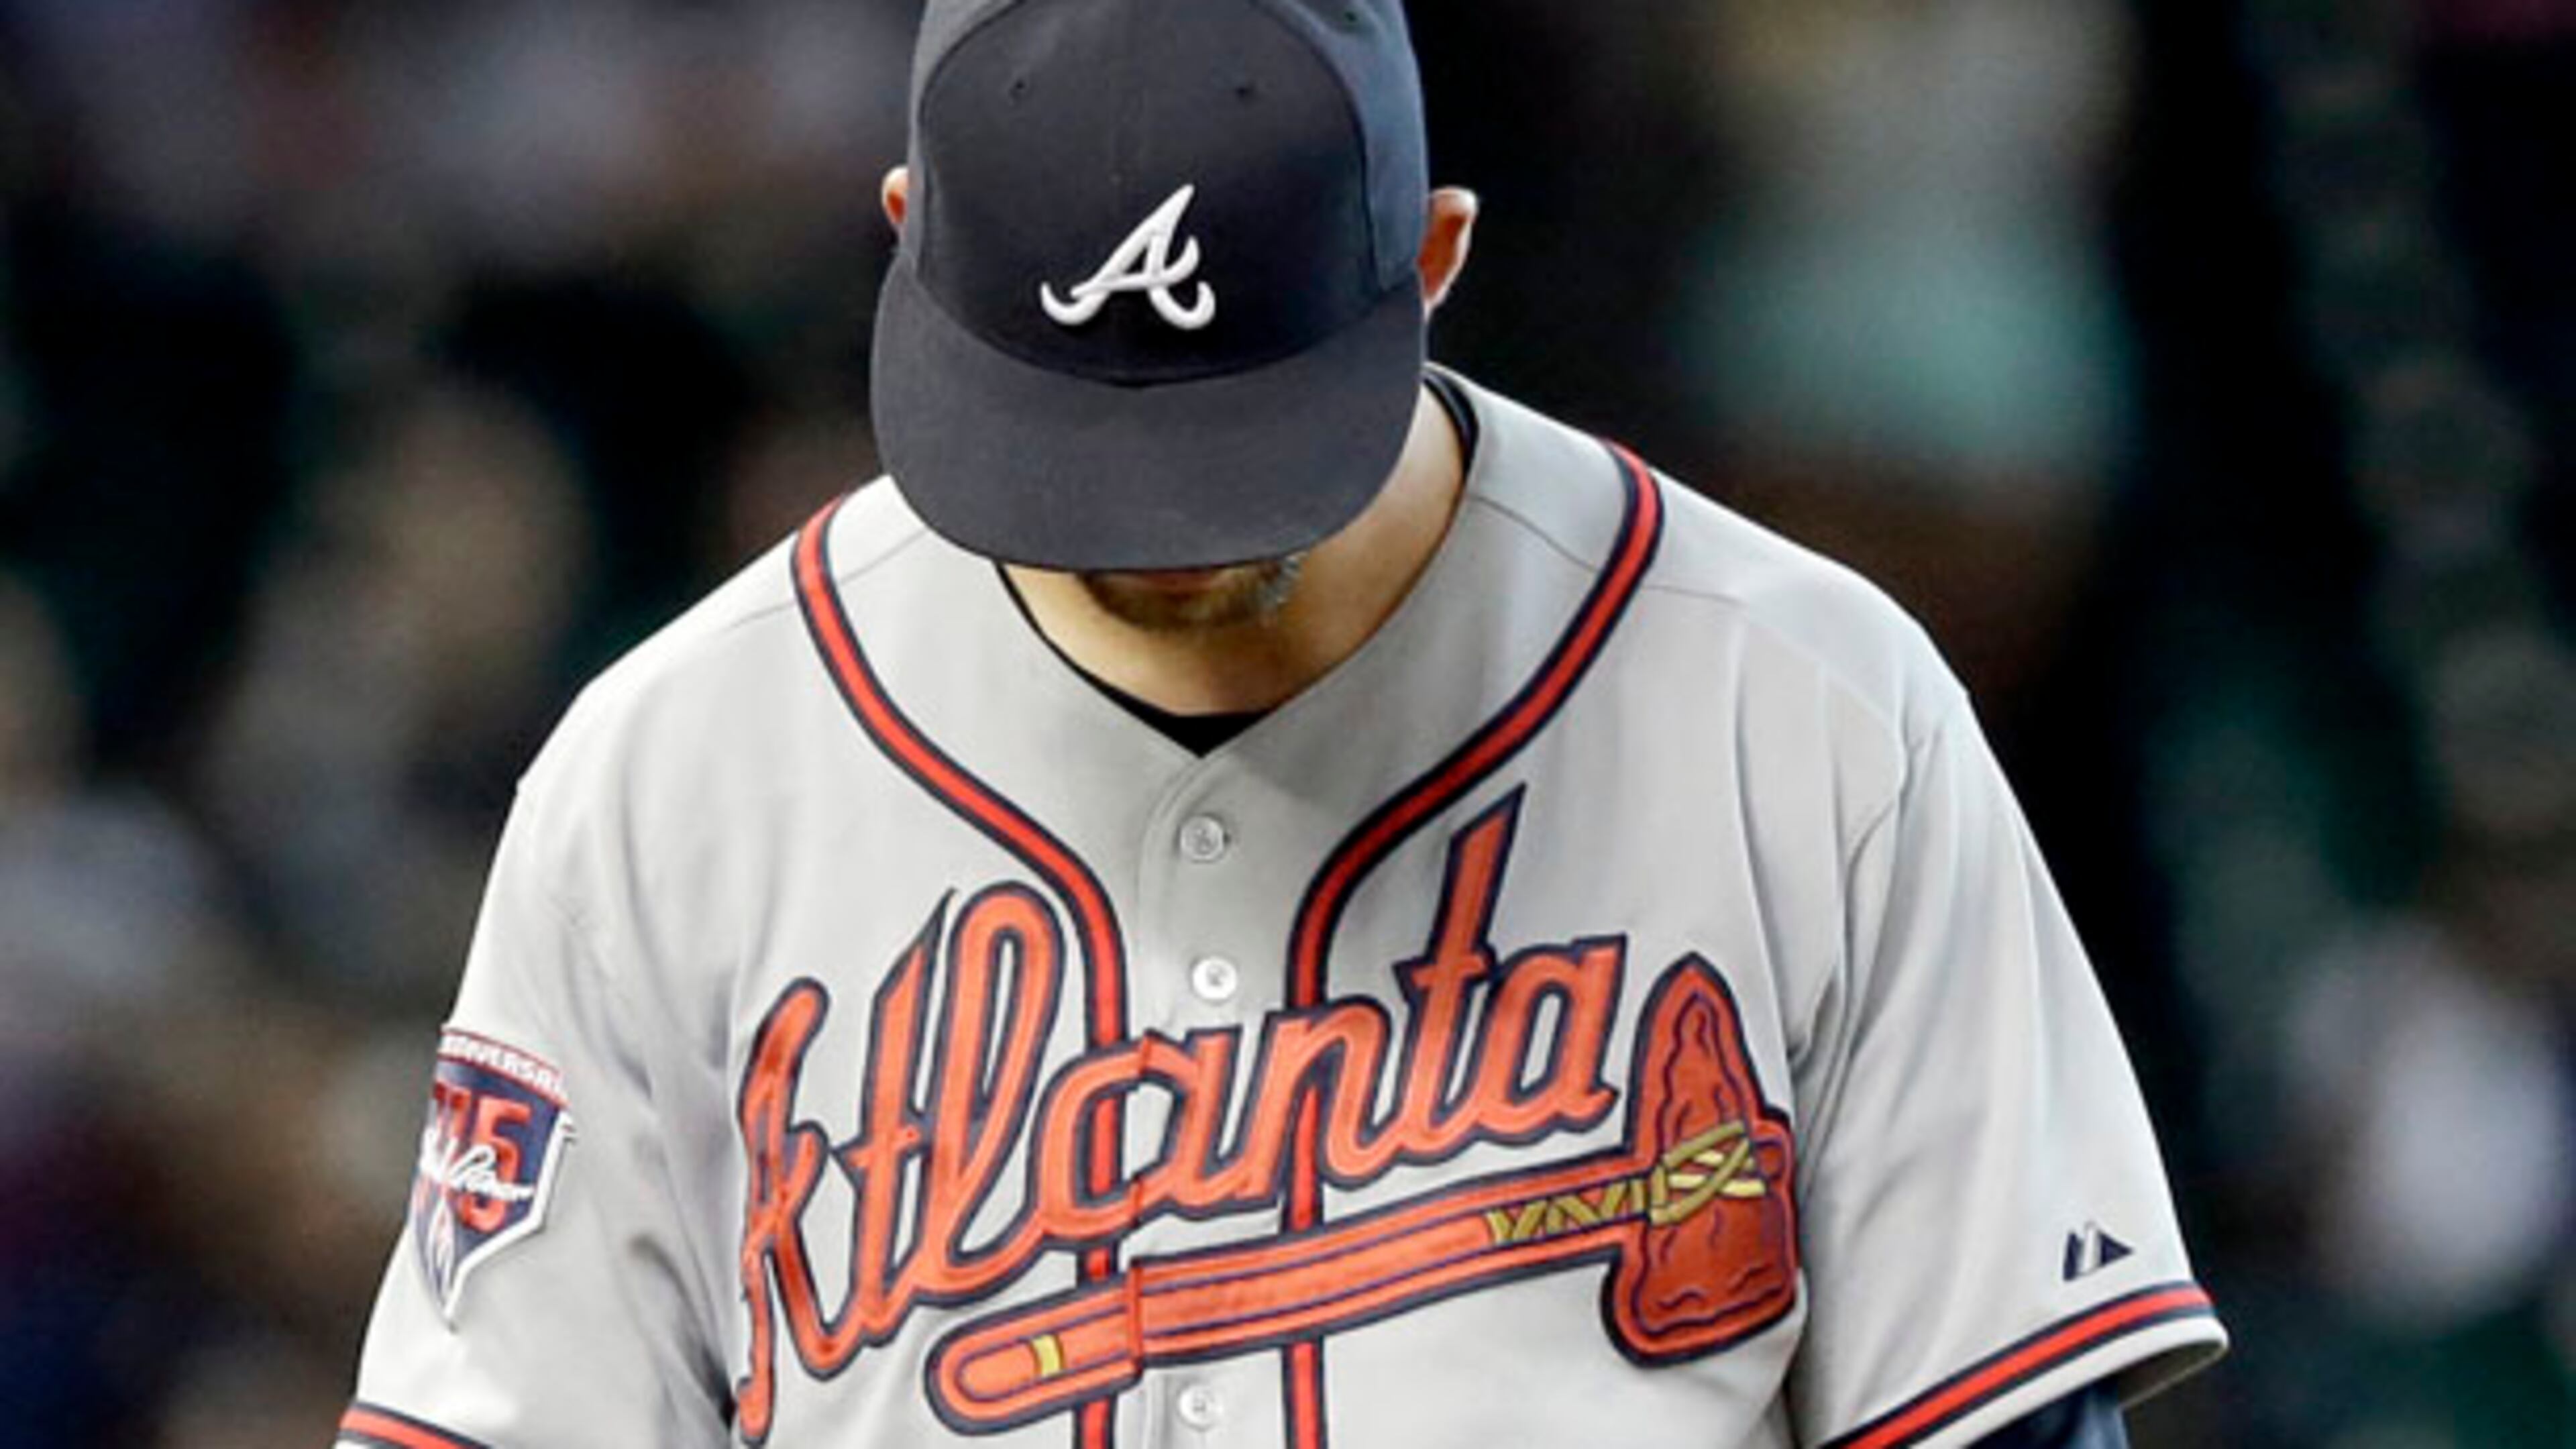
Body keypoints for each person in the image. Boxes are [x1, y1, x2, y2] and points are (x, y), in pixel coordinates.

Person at [336, 1, 2225, 1444]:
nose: (1158, 534)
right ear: (906, 236)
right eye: (1075, 436)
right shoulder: (670, 778)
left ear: (1434, 263)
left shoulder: (1808, 718)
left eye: (1240, 442)